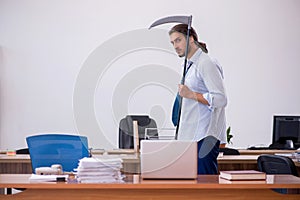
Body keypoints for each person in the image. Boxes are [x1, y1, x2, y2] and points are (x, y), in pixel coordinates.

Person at [169, 24, 227, 174]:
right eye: (173, 42)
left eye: (178, 40)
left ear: (191, 39)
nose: (175, 46)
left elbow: (220, 99)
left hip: (204, 137)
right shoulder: (188, 65)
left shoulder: (206, 63)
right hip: (190, 137)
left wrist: (192, 95)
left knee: (206, 188)